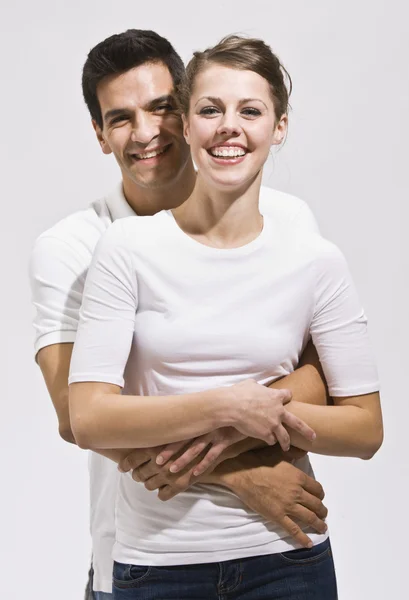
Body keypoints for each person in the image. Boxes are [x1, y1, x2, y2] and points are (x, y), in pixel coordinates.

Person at [67, 34, 383, 599]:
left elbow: (365, 428)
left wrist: (245, 421)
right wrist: (228, 405)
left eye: (251, 110)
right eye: (210, 109)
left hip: (289, 558)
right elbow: (89, 418)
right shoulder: (126, 248)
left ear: (278, 127)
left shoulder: (315, 258)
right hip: (158, 564)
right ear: (186, 126)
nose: (228, 126)